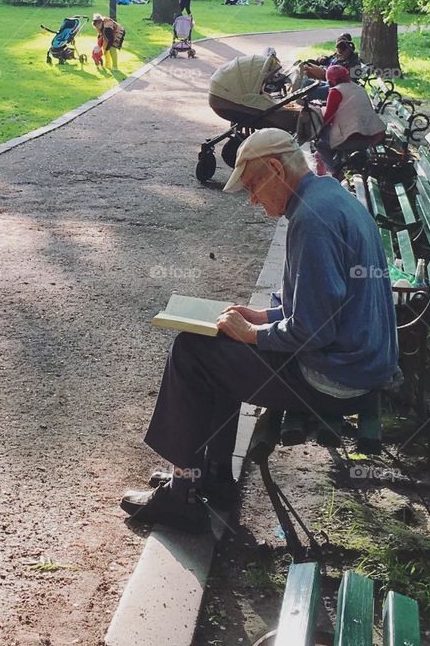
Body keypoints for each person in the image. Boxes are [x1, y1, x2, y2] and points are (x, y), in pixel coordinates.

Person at [121, 129, 399, 532]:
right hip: (357, 363)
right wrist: (260, 317)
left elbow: (314, 330)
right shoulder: (328, 197)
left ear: (275, 168)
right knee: (214, 348)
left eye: (253, 185)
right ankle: (212, 480)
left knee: (191, 352)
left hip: (335, 378)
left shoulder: (310, 221)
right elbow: (321, 302)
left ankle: (184, 495)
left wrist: (251, 336)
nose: (253, 199)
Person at [313, 64, 386, 175]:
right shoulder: (359, 88)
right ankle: (337, 165)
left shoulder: (336, 92)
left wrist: (320, 111)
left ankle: (334, 171)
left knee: (320, 144)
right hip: (372, 134)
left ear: (331, 81)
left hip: (354, 138)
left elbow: (328, 119)